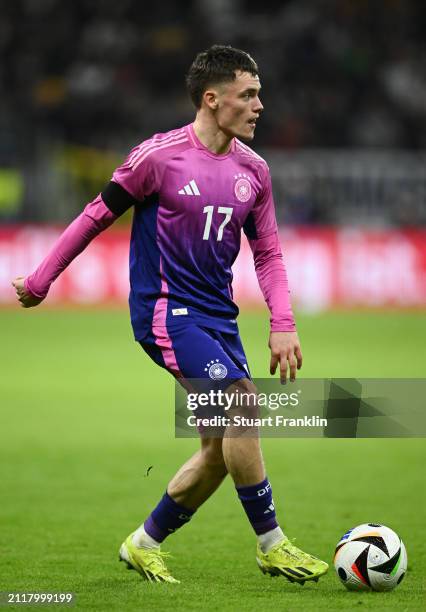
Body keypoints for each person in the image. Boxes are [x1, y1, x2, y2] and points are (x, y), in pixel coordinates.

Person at [12, 45, 328, 585]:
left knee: (216, 451)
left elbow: (269, 254)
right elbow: (95, 216)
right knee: (242, 404)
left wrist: (282, 323)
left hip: (218, 319)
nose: (259, 105)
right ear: (212, 99)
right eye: (247, 94)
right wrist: (42, 280)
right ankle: (272, 543)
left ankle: (143, 542)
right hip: (166, 313)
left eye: (259, 95)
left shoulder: (255, 171)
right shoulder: (157, 158)